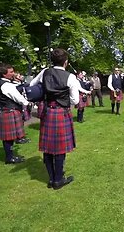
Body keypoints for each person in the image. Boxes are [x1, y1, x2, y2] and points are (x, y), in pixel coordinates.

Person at [29, 48, 78, 190]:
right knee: (59, 149)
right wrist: (62, 97)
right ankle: (58, 180)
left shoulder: (45, 72)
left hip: (48, 112)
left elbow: (32, 85)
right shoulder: (70, 77)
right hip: (61, 113)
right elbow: (74, 100)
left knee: (48, 148)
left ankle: (52, 179)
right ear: (66, 62)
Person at [0, 64, 30, 164]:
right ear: (4, 74)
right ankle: (9, 158)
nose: (13, 73)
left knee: (10, 137)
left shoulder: (4, 82)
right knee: (8, 138)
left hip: (8, 110)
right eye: (11, 72)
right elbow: (17, 97)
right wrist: (27, 103)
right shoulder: (5, 85)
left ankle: (10, 156)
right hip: (9, 111)